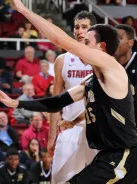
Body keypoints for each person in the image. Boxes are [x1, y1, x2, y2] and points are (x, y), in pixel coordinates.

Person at [0, 0, 137, 182]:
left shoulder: (111, 66)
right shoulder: (92, 81)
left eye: (87, 43)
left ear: (101, 47)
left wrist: (23, 10)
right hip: (107, 154)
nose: (81, 46)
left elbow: (59, 39)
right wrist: (17, 103)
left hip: (124, 155)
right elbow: (57, 102)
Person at [47, 11, 98, 184]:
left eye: (84, 27)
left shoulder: (102, 59)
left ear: (93, 30)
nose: (79, 31)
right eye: (77, 27)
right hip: (69, 128)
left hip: (96, 129)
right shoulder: (63, 60)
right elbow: (55, 102)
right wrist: (51, 135)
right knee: (60, 179)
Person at [114, 24, 137, 122]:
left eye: (119, 38)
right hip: (119, 126)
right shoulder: (107, 64)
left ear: (130, 42)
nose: (114, 42)